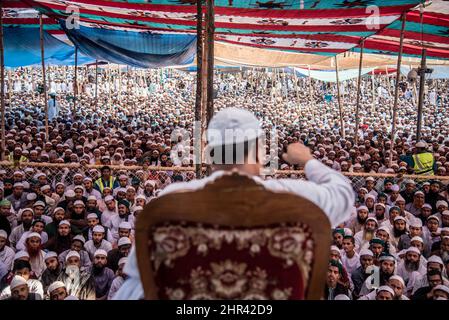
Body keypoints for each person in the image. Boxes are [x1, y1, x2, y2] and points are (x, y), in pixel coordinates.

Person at [114, 108, 354, 300]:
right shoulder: (297, 198)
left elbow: (137, 285)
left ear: (210, 153)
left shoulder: (171, 201)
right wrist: (307, 160)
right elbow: (343, 194)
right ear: (259, 151)